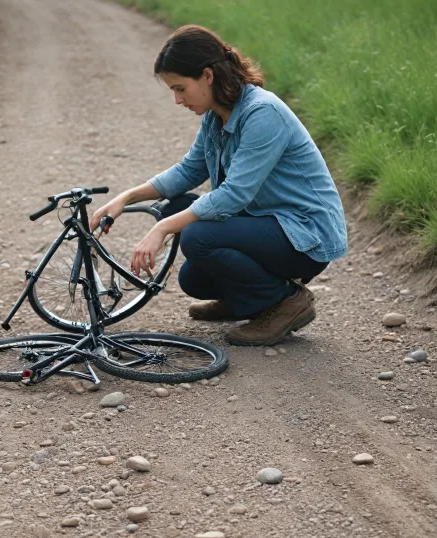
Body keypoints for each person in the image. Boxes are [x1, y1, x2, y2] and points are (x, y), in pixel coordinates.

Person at [90, 25, 347, 346]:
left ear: (208, 75)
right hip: (267, 223)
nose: (176, 100)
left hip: (305, 235)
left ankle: (286, 303)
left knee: (197, 236)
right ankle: (250, 301)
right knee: (193, 277)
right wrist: (125, 198)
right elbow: (188, 171)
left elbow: (234, 195)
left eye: (181, 89)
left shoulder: (262, 113)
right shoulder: (216, 116)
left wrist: (161, 230)